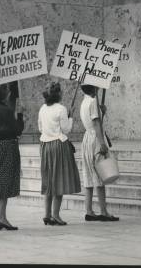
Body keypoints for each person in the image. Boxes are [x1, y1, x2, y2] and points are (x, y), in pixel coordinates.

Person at [37, 81, 81, 226]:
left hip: (45, 145)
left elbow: (40, 127)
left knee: (49, 181)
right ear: (58, 94)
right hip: (58, 145)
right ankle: (55, 215)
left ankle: (47, 214)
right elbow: (66, 129)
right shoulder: (61, 109)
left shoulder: (42, 108)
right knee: (59, 180)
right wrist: (71, 117)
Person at [0, 84, 23, 231]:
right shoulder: (6, 110)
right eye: (7, 91)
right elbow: (18, 129)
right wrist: (20, 115)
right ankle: (2, 217)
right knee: (5, 180)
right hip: (6, 145)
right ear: (4, 95)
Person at [79, 84, 118, 222]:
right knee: (101, 174)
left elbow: (94, 120)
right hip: (95, 138)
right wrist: (102, 143)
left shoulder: (84, 101)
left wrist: (102, 112)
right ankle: (103, 211)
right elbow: (96, 124)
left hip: (87, 139)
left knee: (89, 175)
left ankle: (89, 210)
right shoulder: (93, 101)